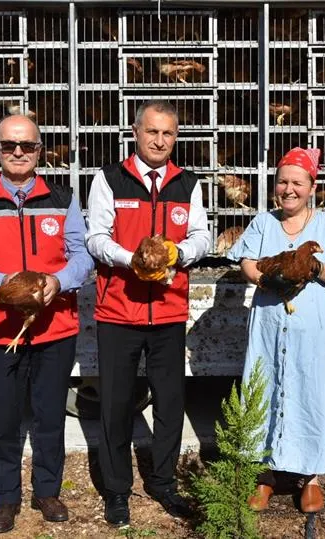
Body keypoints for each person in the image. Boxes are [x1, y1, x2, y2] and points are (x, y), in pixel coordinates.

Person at [0, 114, 94, 534]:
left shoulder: (63, 198)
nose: (18, 152)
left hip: (54, 327)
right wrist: (8, 285)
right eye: (10, 145)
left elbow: (82, 256)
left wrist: (57, 281)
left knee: (50, 415)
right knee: (5, 418)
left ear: (39, 150)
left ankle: (47, 491)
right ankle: (6, 498)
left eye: (27, 146)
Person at [85, 100, 211, 526]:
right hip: (119, 311)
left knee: (170, 405)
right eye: (152, 132)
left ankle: (163, 483)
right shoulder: (109, 179)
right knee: (116, 405)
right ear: (136, 132)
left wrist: (177, 254)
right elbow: (95, 238)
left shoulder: (187, 183)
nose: (160, 141)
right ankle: (117, 491)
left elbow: (202, 237)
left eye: (168, 134)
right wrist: (131, 259)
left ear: (176, 138)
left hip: (169, 313)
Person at [226, 147, 325, 513]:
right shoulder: (262, 222)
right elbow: (247, 264)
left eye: (297, 182)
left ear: (311, 186)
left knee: (313, 393)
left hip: (313, 332)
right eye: (282, 181)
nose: (289, 189)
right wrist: (266, 278)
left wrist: (314, 269)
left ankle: (312, 477)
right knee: (264, 389)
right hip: (269, 328)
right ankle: (265, 475)